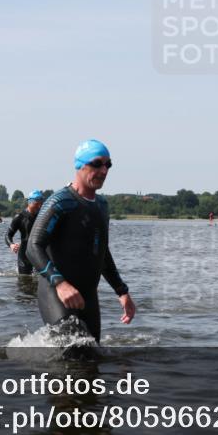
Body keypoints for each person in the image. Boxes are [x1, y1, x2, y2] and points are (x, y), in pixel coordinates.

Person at [27, 139, 135, 342]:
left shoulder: (102, 206)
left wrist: (122, 291)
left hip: (88, 295)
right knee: (74, 353)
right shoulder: (60, 202)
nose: (104, 170)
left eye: (108, 165)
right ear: (80, 165)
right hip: (57, 293)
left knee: (92, 355)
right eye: (97, 164)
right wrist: (60, 283)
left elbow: (102, 251)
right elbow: (33, 247)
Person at [6, 190, 44, 275]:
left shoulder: (42, 216)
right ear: (30, 202)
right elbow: (8, 235)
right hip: (24, 255)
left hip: (39, 253)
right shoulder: (19, 217)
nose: (39, 206)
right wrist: (11, 245)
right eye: (37, 204)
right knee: (24, 280)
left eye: (41, 203)